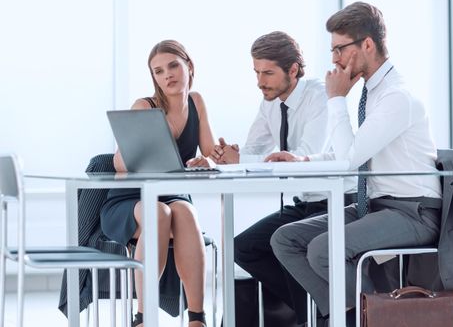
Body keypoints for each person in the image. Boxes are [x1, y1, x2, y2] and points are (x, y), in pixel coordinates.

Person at [268, 1, 442, 324]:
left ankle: (379, 316)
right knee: (285, 239)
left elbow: (350, 159)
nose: (334, 59)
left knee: (323, 250)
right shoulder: (371, 93)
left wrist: (335, 99)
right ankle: (348, 314)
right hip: (378, 206)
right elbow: (352, 152)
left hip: (413, 212)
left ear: (367, 45)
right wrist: (304, 159)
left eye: (339, 49)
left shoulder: (395, 97)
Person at [211, 31, 356, 325]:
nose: (260, 81)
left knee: (284, 243)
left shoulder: (318, 96)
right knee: (244, 247)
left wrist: (244, 159)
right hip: (306, 203)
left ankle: (315, 315)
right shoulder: (270, 101)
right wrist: (225, 157)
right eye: (256, 72)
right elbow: (253, 151)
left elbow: (305, 157)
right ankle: (315, 313)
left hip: (337, 203)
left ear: (292, 70)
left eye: (267, 72)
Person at [101, 40, 216, 327]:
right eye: (159, 71)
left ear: (188, 65)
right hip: (131, 200)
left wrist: (214, 160)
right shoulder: (145, 106)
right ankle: (142, 317)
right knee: (159, 213)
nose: (168, 75)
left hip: (172, 195)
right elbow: (119, 164)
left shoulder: (196, 101)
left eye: (173, 65)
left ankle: (197, 318)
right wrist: (146, 143)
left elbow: (211, 153)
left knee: (186, 212)